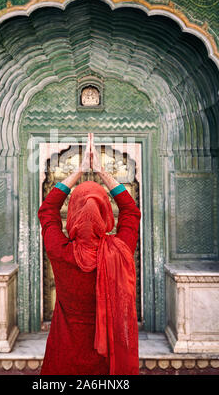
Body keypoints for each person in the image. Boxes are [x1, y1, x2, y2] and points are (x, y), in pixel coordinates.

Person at [38, 133, 141, 375]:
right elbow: (131, 212)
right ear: (106, 213)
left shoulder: (60, 251)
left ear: (72, 213)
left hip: (65, 357)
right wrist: (102, 172)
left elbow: (47, 210)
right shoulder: (119, 250)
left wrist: (79, 172)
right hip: (107, 362)